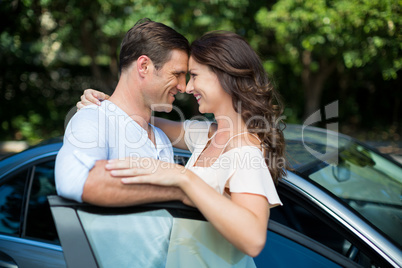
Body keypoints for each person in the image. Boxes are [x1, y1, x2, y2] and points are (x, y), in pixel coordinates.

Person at [78, 31, 287, 260]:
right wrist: (104, 105)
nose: (187, 88)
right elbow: (139, 118)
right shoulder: (210, 134)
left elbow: (253, 240)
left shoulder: (245, 150)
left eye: (195, 76)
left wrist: (184, 178)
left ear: (223, 75)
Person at [55, 18, 191, 206]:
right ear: (144, 66)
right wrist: (180, 186)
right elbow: (76, 179)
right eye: (177, 74)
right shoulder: (93, 118)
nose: (183, 87)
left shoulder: (161, 138)